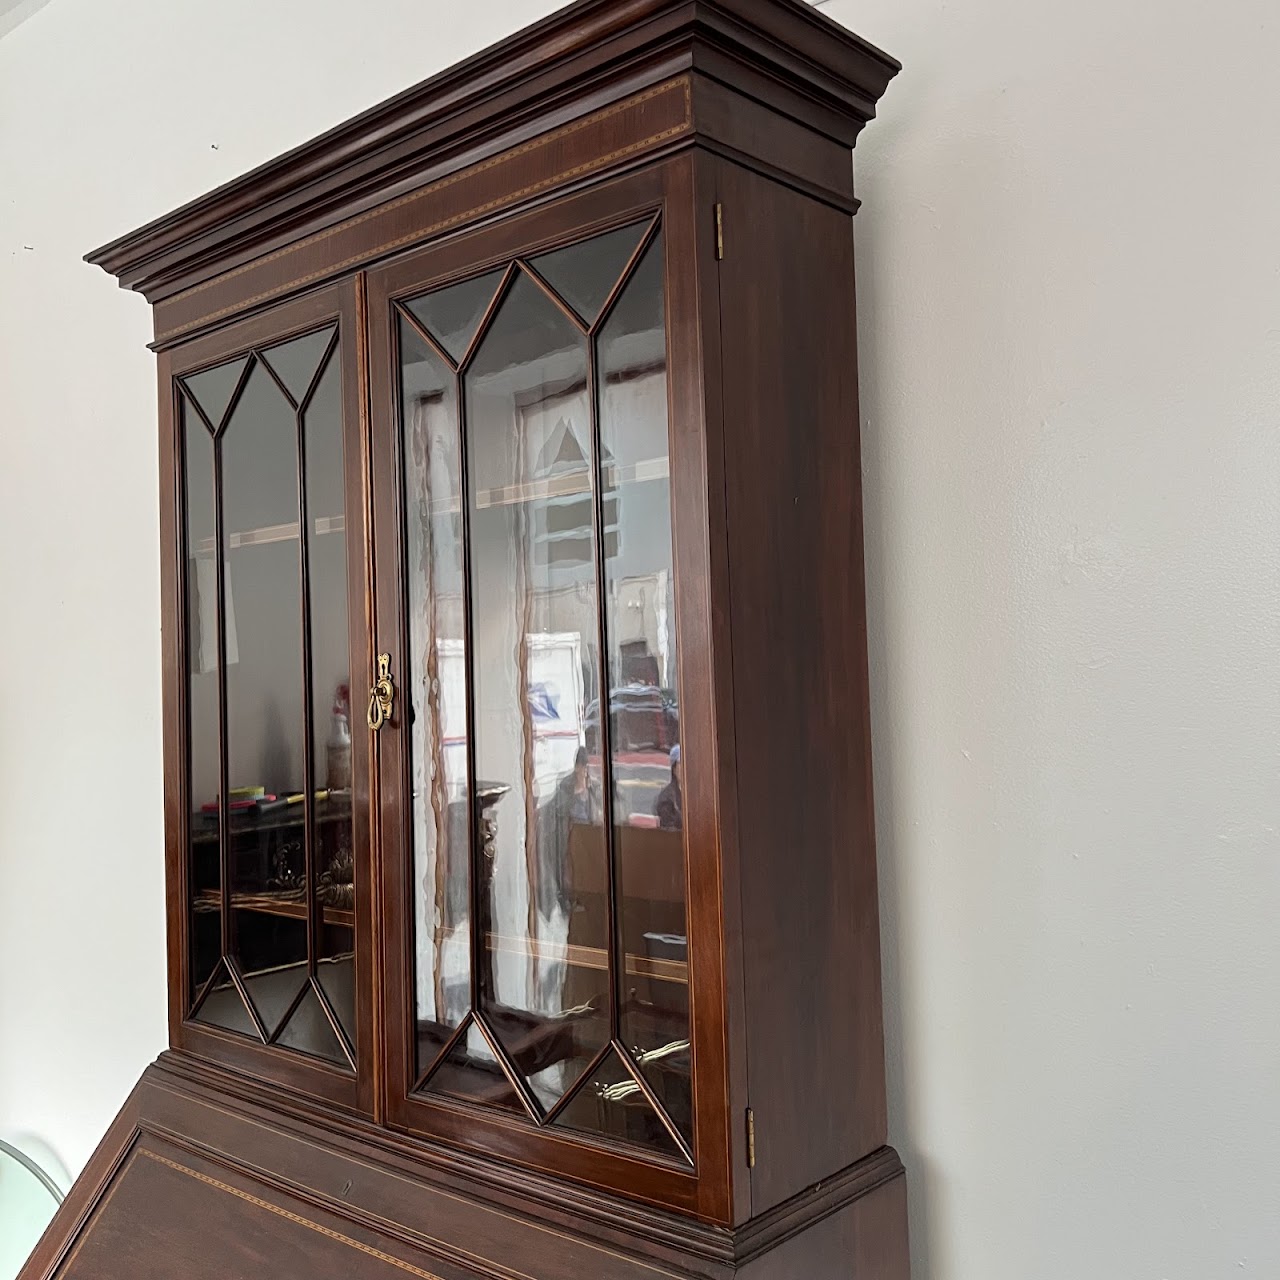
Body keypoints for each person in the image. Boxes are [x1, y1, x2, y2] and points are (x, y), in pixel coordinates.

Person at [655, 744, 682, 831]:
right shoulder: (666, 799)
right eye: (682, 764)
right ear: (674, 769)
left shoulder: (697, 794)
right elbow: (669, 832)